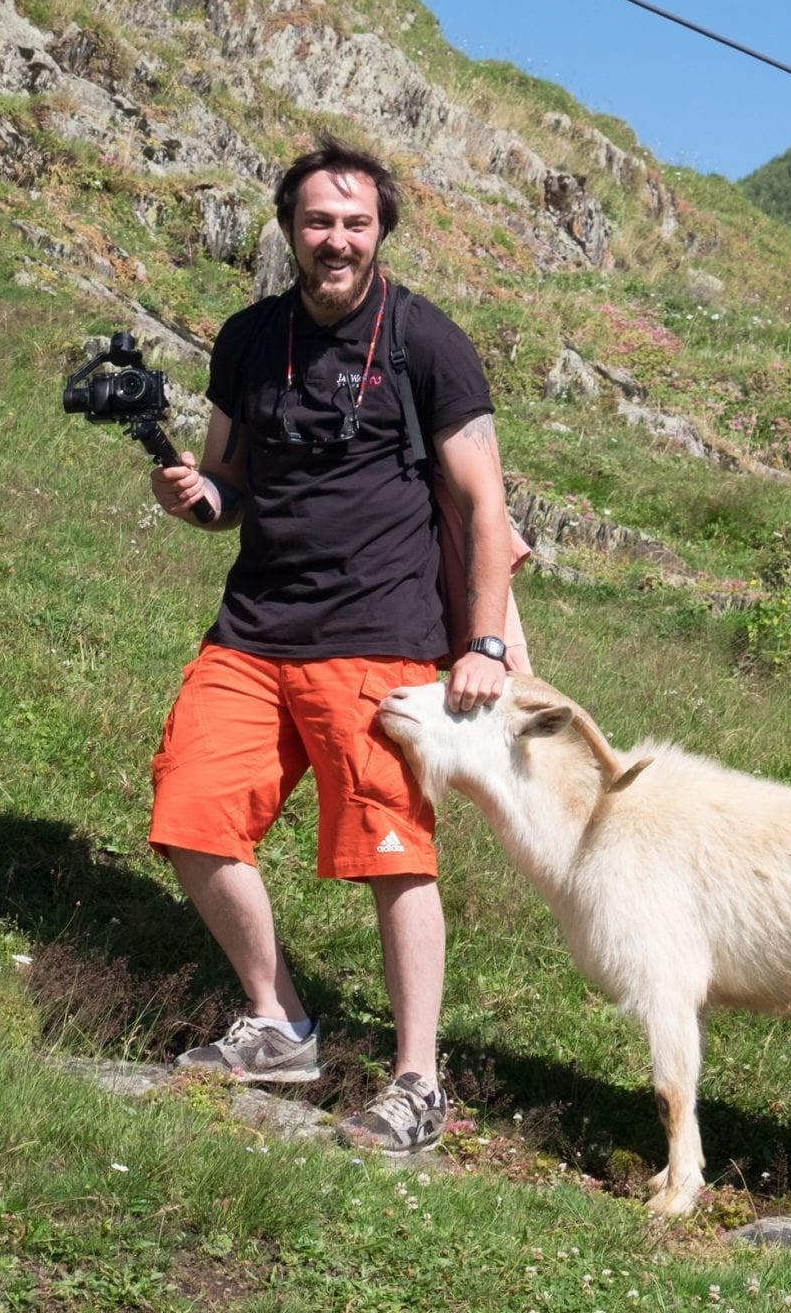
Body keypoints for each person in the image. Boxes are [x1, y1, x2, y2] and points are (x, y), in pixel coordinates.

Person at [146, 135, 514, 1154]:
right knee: (191, 810)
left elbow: (484, 506)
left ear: (379, 233)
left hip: (380, 641)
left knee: (393, 857)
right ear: (289, 231)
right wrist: (193, 494)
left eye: (355, 224)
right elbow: (227, 488)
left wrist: (480, 640)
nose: (335, 240)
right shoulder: (249, 338)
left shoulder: (427, 344)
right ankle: (277, 1023)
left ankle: (416, 1083)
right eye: (317, 223)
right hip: (254, 629)